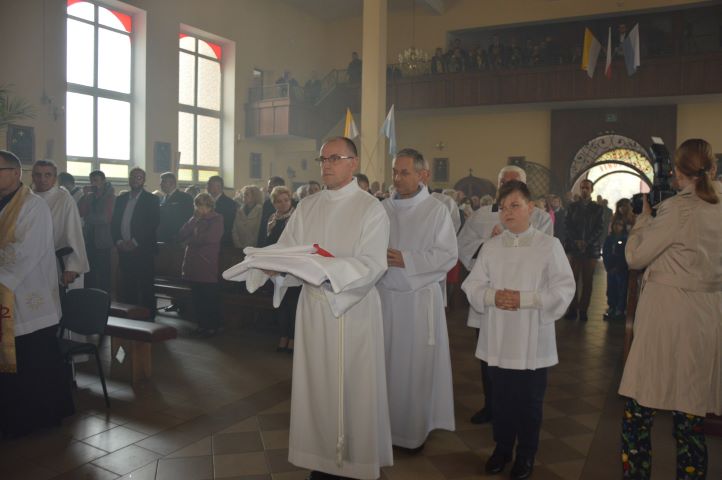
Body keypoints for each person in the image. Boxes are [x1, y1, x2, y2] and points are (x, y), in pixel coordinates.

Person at [243, 137, 392, 479]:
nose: (326, 165)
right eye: (322, 159)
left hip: (353, 312)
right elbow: (288, 250)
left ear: (353, 163)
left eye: (334, 158)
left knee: (354, 390)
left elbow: (373, 264)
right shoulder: (307, 206)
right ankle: (322, 461)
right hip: (313, 311)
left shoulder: (371, 208)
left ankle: (355, 462)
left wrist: (327, 273)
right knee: (317, 388)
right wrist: (274, 268)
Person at [619, 138, 722, 480]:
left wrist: (643, 221)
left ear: (677, 172)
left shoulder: (678, 210)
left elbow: (636, 258)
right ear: (712, 168)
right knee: (690, 418)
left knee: (638, 410)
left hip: (668, 315)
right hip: (706, 315)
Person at [462, 180, 574, 480]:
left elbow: (564, 289)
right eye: (503, 207)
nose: (508, 212)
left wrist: (524, 300)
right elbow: (473, 284)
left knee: (529, 403)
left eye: (515, 205)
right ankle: (502, 449)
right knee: (500, 400)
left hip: (531, 336)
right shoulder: (491, 247)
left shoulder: (548, 245)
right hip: (498, 335)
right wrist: (492, 296)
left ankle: (526, 454)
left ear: (531, 208)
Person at [457, 165, 553, 425]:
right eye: (504, 182)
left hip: (525, 304)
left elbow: (543, 251)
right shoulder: (480, 215)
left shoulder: (540, 217)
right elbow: (463, 245)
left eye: (514, 182)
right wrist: (488, 243)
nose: (508, 187)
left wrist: (512, 241)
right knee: (490, 358)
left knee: (525, 365)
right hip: (490, 300)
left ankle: (522, 414)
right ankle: (491, 405)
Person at [379, 148, 457, 451]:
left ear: (423, 175)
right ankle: (383, 428)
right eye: (395, 172)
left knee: (413, 368)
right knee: (385, 364)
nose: (397, 178)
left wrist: (407, 259)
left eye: (404, 172)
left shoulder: (436, 210)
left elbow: (447, 255)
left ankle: (412, 433)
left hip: (418, 301)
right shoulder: (382, 209)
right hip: (385, 299)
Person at [0, 150, 73, 437]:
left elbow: (24, 252)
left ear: (16, 173)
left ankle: (35, 418)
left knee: (32, 361)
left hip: (28, 297)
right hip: (6, 294)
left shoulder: (33, 206)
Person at [31, 160, 89, 289]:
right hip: (32, 261)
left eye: (48, 175)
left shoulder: (64, 199)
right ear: (32, 177)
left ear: (55, 178)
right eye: (38, 175)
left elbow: (74, 233)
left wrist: (72, 266)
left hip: (57, 260)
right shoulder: (27, 198)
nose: (42, 179)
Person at [111, 168, 160, 319]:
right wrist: (119, 241)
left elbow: (152, 224)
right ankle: (131, 316)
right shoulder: (121, 199)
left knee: (145, 285)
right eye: (132, 177)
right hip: (124, 249)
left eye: (139, 177)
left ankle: (148, 317)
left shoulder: (151, 199)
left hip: (143, 249)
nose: (135, 180)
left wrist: (134, 242)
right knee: (128, 284)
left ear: (143, 180)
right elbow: (114, 222)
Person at [178, 193, 223, 337]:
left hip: (206, 262)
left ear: (210, 206)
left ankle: (212, 327)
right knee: (197, 297)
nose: (201, 209)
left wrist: (189, 241)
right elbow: (182, 233)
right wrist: (193, 221)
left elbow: (210, 238)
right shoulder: (195, 218)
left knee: (208, 297)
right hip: (192, 262)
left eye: (203, 205)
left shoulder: (217, 219)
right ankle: (201, 325)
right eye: (198, 205)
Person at [262, 186, 300, 353]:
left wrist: (284, 265)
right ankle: (283, 336)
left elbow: (296, 243)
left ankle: (293, 338)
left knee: (292, 304)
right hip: (274, 267)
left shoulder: (296, 217)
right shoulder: (272, 218)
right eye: (279, 201)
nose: (283, 204)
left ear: (290, 200)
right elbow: (266, 243)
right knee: (281, 303)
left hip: (291, 266)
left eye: (286, 200)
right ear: (274, 203)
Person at [564, 179, 604, 321]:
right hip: (574, 248)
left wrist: (587, 242)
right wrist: (576, 240)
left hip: (590, 249)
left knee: (587, 281)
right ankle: (572, 308)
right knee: (572, 280)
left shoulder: (597, 208)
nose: (584, 190)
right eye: (582, 188)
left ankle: (583, 310)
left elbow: (599, 228)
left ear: (592, 190)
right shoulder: (572, 207)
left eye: (587, 188)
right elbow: (567, 225)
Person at [78, 171, 115, 293]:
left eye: (96, 180)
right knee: (89, 273)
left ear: (103, 181)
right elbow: (80, 212)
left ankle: (104, 299)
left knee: (103, 274)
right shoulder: (90, 197)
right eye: (91, 181)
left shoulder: (110, 197)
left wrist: (88, 218)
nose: (93, 183)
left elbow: (106, 218)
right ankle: (90, 297)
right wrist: (84, 196)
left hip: (103, 241)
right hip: (89, 240)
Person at [602, 218, 628, 320]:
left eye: (620, 224)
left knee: (621, 290)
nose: (617, 227)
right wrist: (608, 266)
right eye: (616, 224)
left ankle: (619, 309)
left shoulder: (626, 239)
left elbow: (624, 255)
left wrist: (619, 266)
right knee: (611, 289)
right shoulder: (609, 239)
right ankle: (611, 307)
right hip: (611, 268)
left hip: (621, 270)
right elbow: (605, 253)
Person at [157, 172, 194, 243]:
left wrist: (181, 236)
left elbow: (188, 218)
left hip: (178, 238)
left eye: (163, 182)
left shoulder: (184, 197)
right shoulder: (163, 199)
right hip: (164, 238)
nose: (160, 184)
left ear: (172, 183)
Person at [207, 175, 237, 246]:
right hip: (206, 239)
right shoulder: (206, 201)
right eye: (208, 185)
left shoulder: (229, 203)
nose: (207, 188)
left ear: (219, 187)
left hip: (221, 240)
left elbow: (228, 225)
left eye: (210, 185)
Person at [232, 185, 263, 250]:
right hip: (238, 247)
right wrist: (238, 244)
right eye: (243, 194)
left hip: (253, 247)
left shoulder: (260, 210)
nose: (244, 196)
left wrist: (250, 246)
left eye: (246, 194)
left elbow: (258, 232)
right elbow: (234, 230)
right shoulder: (239, 210)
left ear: (254, 197)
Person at [257, 176, 286, 246]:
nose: (268, 189)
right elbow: (263, 225)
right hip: (267, 242)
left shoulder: (289, 203)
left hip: (281, 243)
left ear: (278, 187)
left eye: (270, 187)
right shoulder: (267, 203)